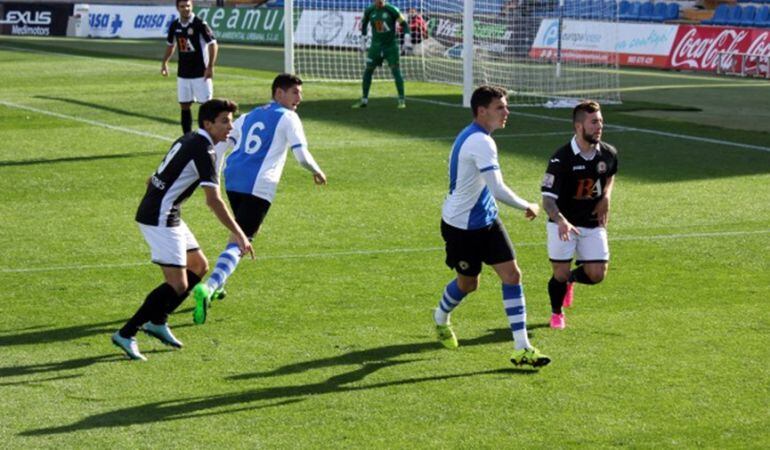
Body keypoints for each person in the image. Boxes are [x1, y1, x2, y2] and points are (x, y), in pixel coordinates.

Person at [112, 99, 254, 361]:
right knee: (177, 284)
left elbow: (152, 177)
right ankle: (127, 333)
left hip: (166, 211)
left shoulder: (188, 138)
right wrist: (240, 233)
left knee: (199, 266)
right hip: (160, 216)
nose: (230, 127)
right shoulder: (205, 151)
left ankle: (157, 321)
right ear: (208, 123)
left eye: (231, 121)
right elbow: (213, 200)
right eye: (224, 121)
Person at [191, 74, 327, 324]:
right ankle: (208, 287)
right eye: (294, 92)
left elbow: (221, 146)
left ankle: (220, 283)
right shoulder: (289, 117)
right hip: (260, 185)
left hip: (233, 178)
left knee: (239, 233)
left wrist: (216, 175)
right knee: (243, 241)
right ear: (279, 93)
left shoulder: (249, 115)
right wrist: (316, 170)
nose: (299, 98)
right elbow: (301, 155)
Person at [434, 85, 551, 368]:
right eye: (500, 107)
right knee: (468, 284)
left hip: (486, 220)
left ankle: (522, 347)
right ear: (482, 111)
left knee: (512, 276)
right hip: (461, 228)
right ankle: (440, 317)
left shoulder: (479, 137)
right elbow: (497, 188)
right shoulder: (480, 142)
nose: (506, 112)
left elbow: (488, 189)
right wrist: (527, 204)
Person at [540, 100, 618, 329]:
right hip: (562, 223)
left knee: (597, 275)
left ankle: (573, 280)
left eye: (601, 121)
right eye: (594, 122)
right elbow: (547, 200)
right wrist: (561, 221)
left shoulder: (609, 153)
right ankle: (556, 313)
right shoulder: (560, 159)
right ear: (578, 126)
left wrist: (606, 197)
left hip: (593, 222)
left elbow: (610, 176)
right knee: (560, 274)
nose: (599, 126)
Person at [161, 0, 218, 134]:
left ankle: (206, 137)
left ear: (192, 6)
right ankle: (187, 138)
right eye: (182, 6)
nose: (185, 9)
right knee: (184, 105)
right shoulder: (175, 25)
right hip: (183, 73)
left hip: (200, 73)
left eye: (188, 6)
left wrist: (210, 66)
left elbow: (213, 44)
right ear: (177, 8)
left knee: (206, 107)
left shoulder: (200, 24)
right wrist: (164, 63)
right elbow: (171, 45)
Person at [352, 0, 411, 109]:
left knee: (396, 71)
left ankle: (401, 100)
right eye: (378, 1)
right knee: (368, 70)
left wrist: (406, 41)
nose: (380, 2)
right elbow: (364, 25)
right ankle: (364, 100)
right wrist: (363, 41)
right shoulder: (369, 11)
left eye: (382, 1)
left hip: (391, 46)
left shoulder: (392, 10)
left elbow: (405, 25)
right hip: (376, 47)